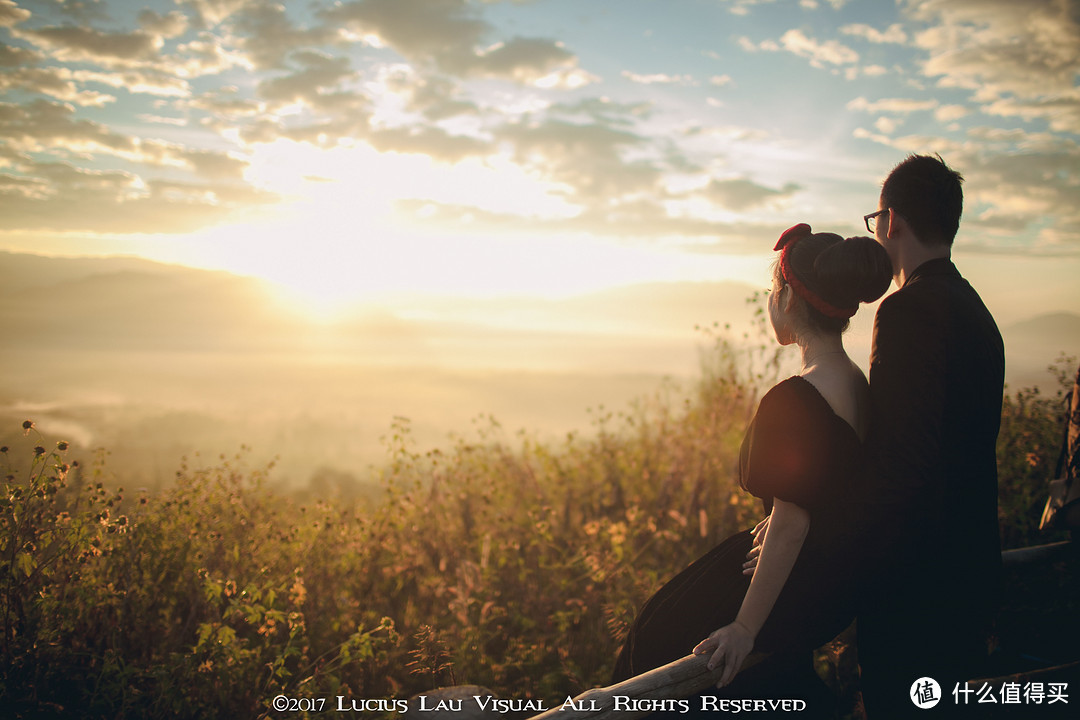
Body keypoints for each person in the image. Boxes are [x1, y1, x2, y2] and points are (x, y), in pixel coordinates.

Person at [611, 223, 893, 717]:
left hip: (795, 578)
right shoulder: (856, 381)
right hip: (833, 579)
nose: (769, 301)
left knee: (655, 639)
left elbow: (792, 522)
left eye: (772, 290)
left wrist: (745, 628)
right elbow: (830, 490)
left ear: (787, 299)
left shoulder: (795, 398)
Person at [854, 154, 1005, 718]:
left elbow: (900, 462)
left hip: (914, 587)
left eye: (875, 220)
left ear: (890, 221)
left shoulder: (904, 311)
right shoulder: (978, 313)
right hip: (970, 572)